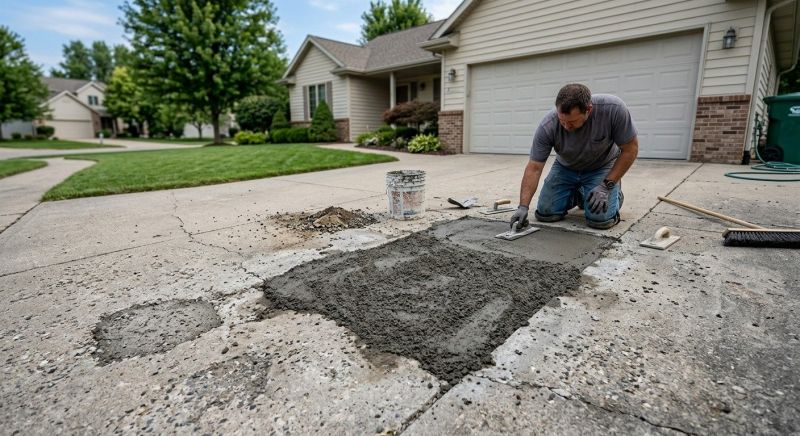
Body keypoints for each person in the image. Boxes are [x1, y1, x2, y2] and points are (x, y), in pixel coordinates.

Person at [510, 83, 638, 230]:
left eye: (571, 122)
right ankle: (579, 195)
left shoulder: (613, 109)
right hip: (566, 167)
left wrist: (606, 186)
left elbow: (630, 149)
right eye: (562, 120)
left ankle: (615, 195)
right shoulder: (548, 125)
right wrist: (523, 206)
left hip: (601, 166)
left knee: (600, 220)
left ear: (588, 110)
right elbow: (534, 168)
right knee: (546, 214)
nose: (565, 126)